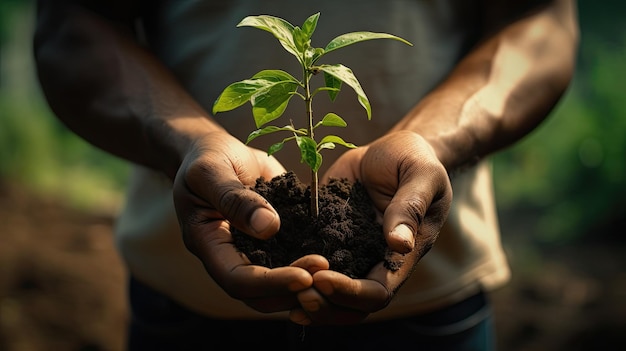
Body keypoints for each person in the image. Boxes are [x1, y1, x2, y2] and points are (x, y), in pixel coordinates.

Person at [33, 0, 579, 350]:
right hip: (187, 290)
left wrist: (433, 143)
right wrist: (190, 143)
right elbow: (72, 22)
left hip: (429, 294)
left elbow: (541, 18)